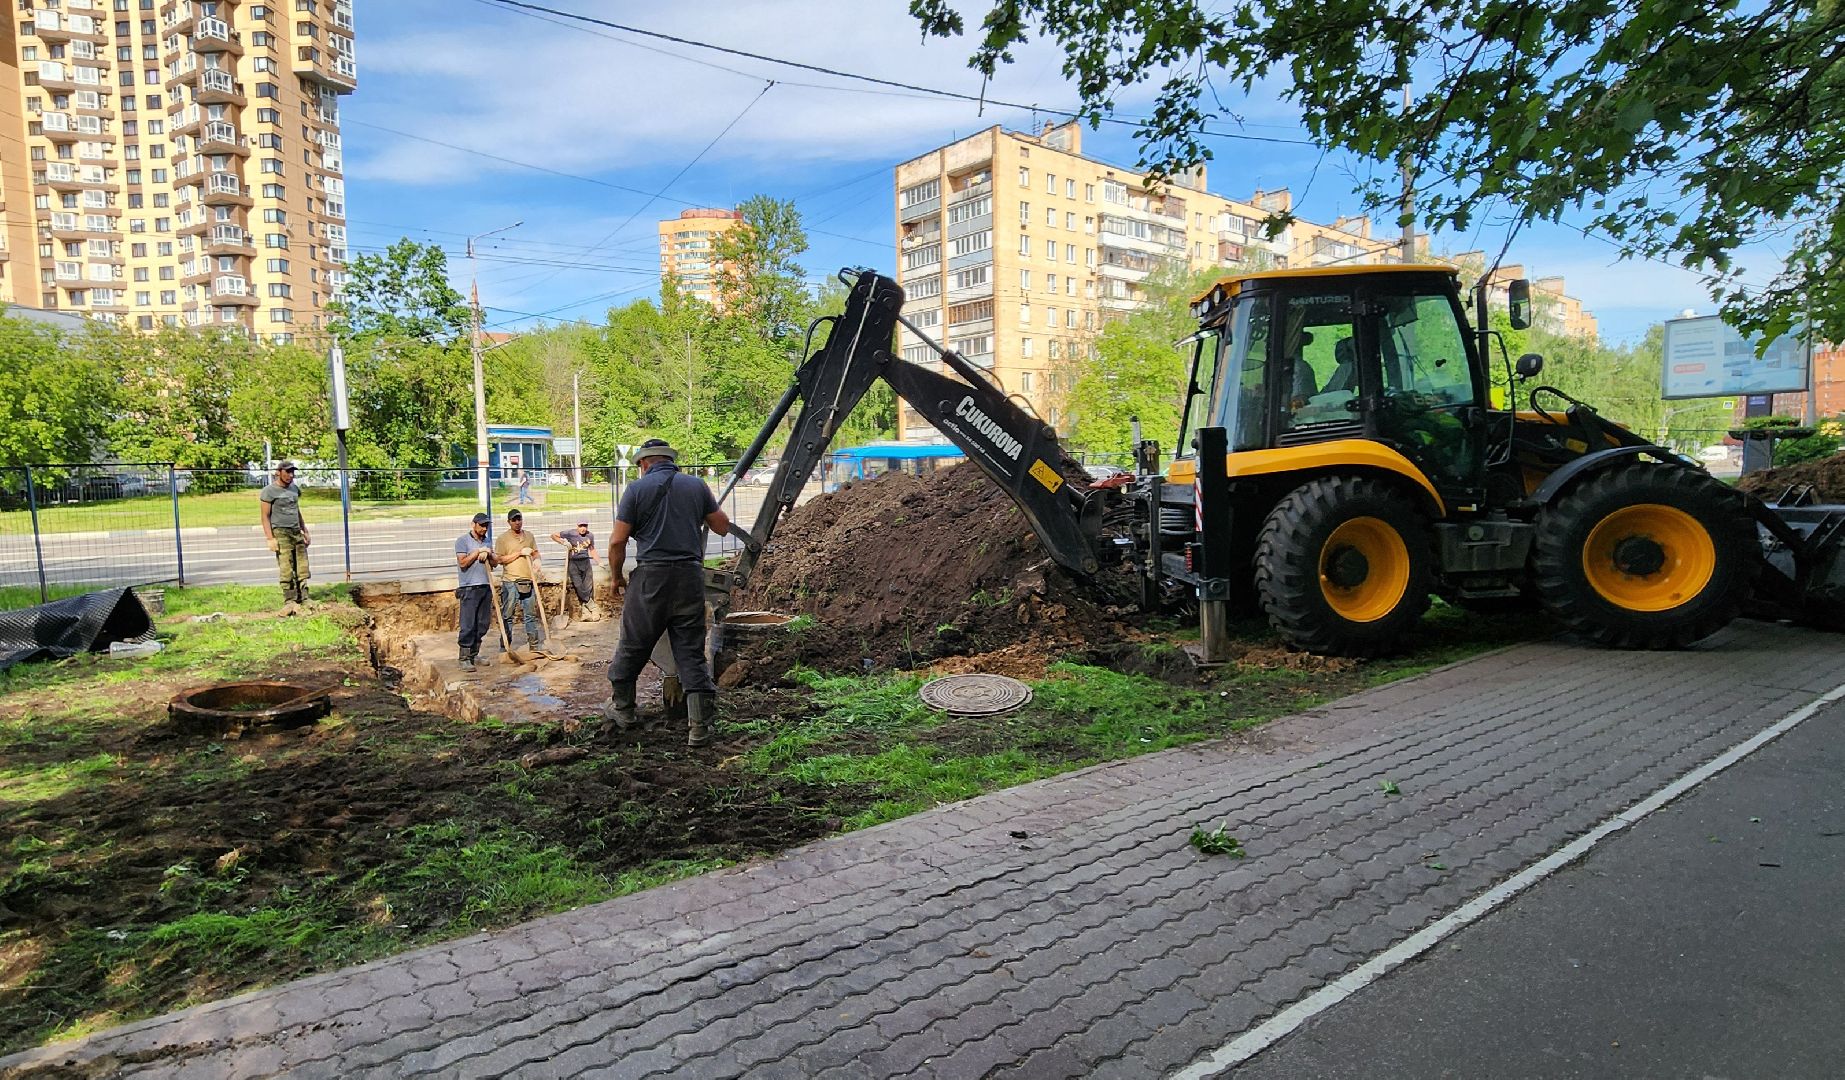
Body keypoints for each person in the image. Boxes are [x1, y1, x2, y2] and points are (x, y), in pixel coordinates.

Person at [602, 437, 749, 747]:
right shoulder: (695, 486)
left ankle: (624, 710)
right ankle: (699, 728)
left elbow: (617, 542)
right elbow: (722, 526)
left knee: (633, 644)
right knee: (691, 652)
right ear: (671, 460)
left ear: (643, 463)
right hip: (689, 579)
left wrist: (616, 577)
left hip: (651, 579)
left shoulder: (636, 490)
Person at [259, 460, 310, 611]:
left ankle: (304, 596)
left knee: (302, 565)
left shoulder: (294, 489)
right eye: (287, 472)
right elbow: (264, 516)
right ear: (278, 472)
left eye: (292, 472)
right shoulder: (269, 491)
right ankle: (290, 599)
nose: (290, 475)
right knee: (286, 566)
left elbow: (296, 510)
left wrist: (304, 529)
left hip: (295, 531)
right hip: (280, 531)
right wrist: (270, 538)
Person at [494, 508, 545, 648]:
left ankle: (534, 645)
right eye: (514, 520)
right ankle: (505, 646)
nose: (517, 522)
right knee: (508, 616)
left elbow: (535, 552)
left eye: (519, 519)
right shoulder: (503, 539)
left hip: (528, 580)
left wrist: (537, 560)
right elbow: (499, 559)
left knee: (530, 615)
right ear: (509, 522)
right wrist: (519, 553)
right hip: (511, 581)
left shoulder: (529, 536)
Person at [455, 512, 497, 672]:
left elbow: (494, 564)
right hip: (469, 588)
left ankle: (474, 654)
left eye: (486, 525)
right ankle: (464, 657)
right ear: (474, 524)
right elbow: (463, 562)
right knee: (468, 625)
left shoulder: (487, 541)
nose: (484, 528)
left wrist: (489, 554)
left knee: (482, 624)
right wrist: (477, 552)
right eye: (482, 525)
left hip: (485, 586)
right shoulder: (462, 541)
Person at [550, 520, 601, 621]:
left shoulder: (590, 535)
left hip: (586, 562)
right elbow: (553, 535)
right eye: (581, 526)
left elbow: (592, 549)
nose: (583, 528)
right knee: (578, 586)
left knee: (588, 587)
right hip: (573, 563)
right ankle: (593, 607)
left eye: (585, 526)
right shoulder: (570, 533)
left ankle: (586, 612)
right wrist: (563, 542)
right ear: (577, 526)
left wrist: (599, 561)